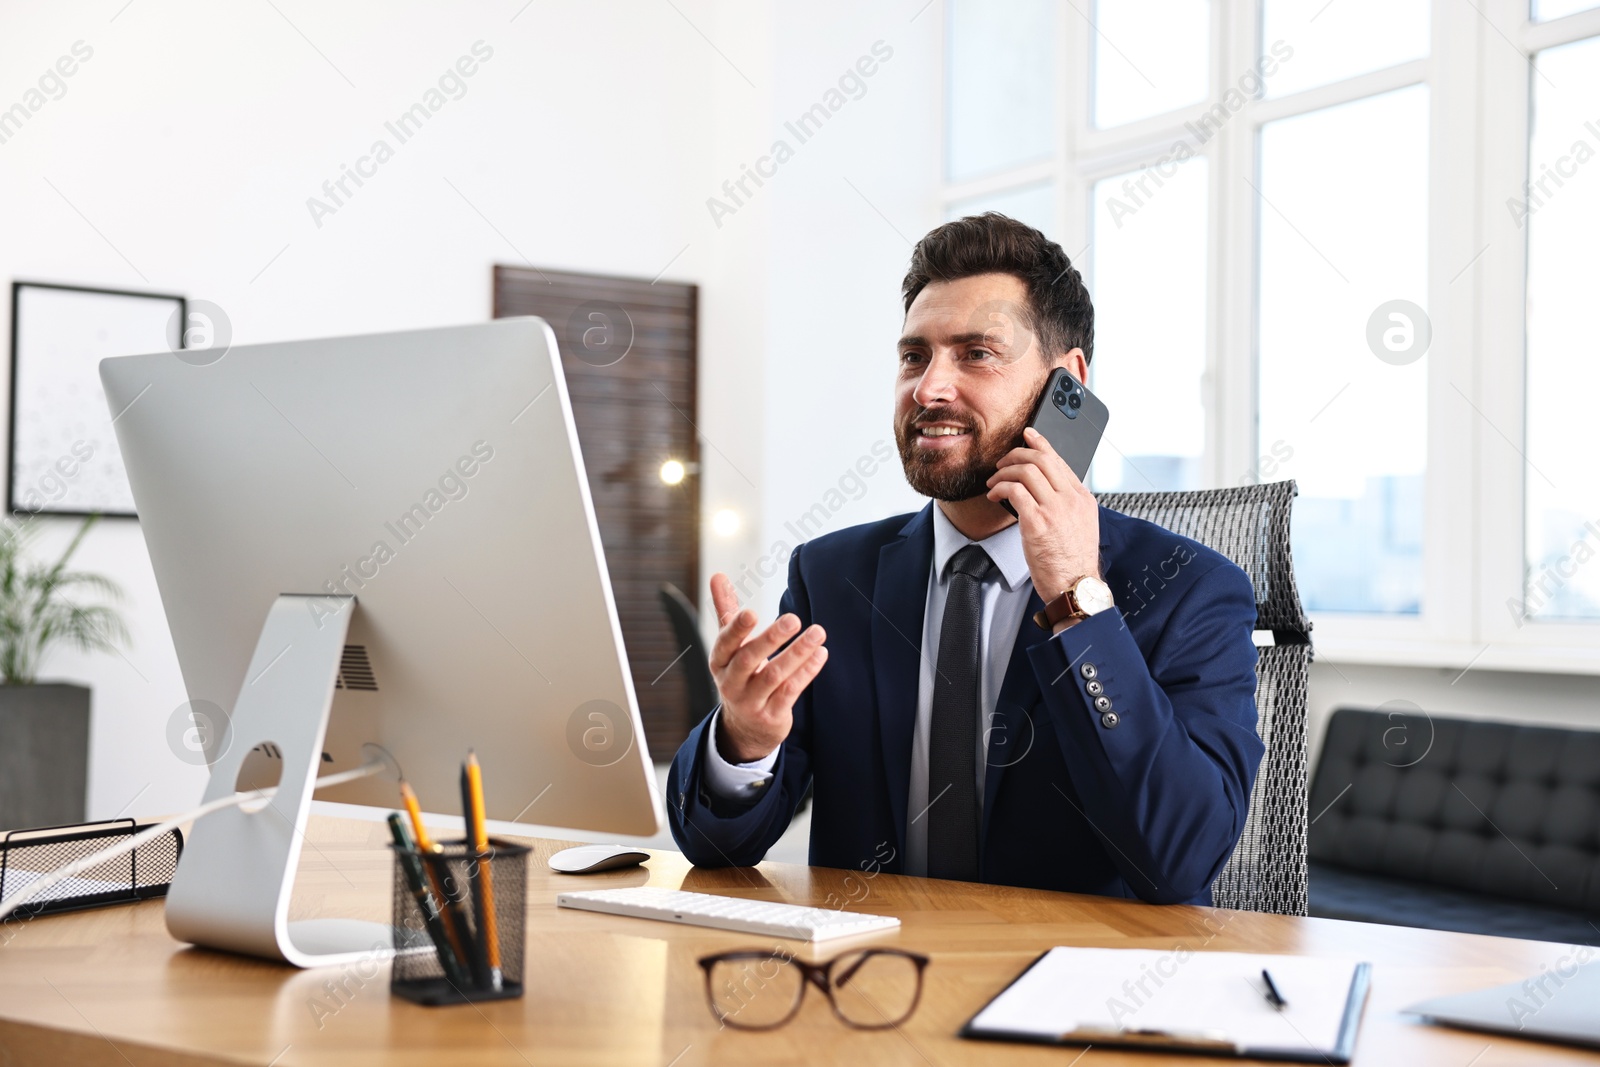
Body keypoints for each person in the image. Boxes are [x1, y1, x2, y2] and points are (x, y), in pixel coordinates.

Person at [666, 213, 1263, 905]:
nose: (928, 388)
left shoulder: (1192, 590)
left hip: (1069, 995)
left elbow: (1179, 859)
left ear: (1065, 384)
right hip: (871, 989)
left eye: (975, 353)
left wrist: (1076, 597)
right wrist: (743, 741)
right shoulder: (831, 577)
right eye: (914, 356)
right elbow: (716, 846)